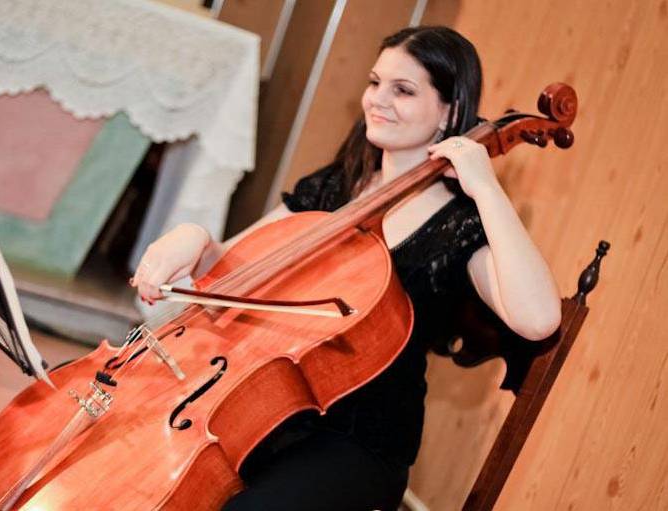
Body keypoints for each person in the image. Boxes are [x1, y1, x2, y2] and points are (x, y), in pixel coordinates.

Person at [131, 25, 561, 511]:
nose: (377, 99)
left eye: (403, 90)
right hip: (264, 407)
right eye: (375, 82)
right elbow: (231, 269)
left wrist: (486, 188)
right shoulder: (337, 185)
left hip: (356, 443)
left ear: (450, 111)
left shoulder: (459, 226)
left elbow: (539, 318)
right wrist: (194, 237)